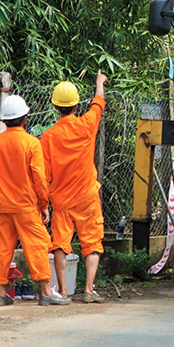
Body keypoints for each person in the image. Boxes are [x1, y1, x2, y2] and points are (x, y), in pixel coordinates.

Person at [0, 95, 69, 307]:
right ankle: (46, 292)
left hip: (2, 206)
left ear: (4, 121)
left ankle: (1, 294)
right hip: (26, 207)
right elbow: (39, 179)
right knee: (38, 245)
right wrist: (44, 205)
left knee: (2, 249)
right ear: (25, 119)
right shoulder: (32, 143)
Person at [41, 72, 107, 302]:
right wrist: (99, 83)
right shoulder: (87, 125)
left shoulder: (48, 137)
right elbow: (98, 102)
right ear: (76, 105)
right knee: (93, 242)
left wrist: (44, 202)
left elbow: (45, 174)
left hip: (61, 200)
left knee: (60, 243)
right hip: (87, 196)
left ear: (55, 107)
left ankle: (63, 291)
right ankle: (89, 289)